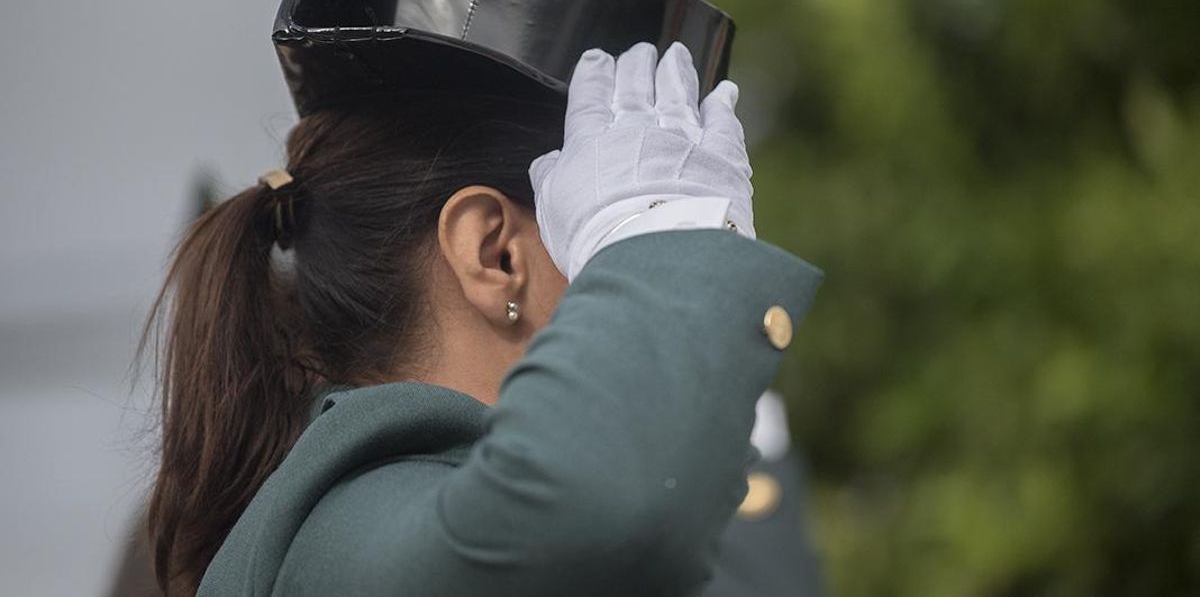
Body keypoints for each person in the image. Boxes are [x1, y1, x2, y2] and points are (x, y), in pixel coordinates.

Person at [141, 40, 822, 597]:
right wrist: (666, 265)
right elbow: (605, 520)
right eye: (597, 235)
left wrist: (706, 375)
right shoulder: (341, 535)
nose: (622, 269)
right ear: (493, 254)